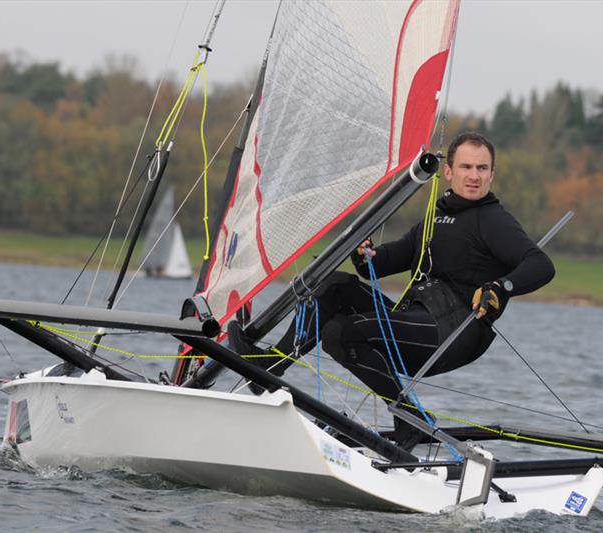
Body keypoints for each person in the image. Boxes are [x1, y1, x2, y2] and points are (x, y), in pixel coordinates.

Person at [230, 132, 555, 450]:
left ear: (492, 175)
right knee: (332, 286)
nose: (474, 176)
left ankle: (409, 418)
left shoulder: (493, 220)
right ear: (449, 171)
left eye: (482, 169)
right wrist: (366, 255)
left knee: (340, 333)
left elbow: (540, 264)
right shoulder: (437, 216)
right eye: (466, 167)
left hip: (452, 333)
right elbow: (386, 261)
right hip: (415, 318)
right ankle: (271, 366)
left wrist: (501, 287)